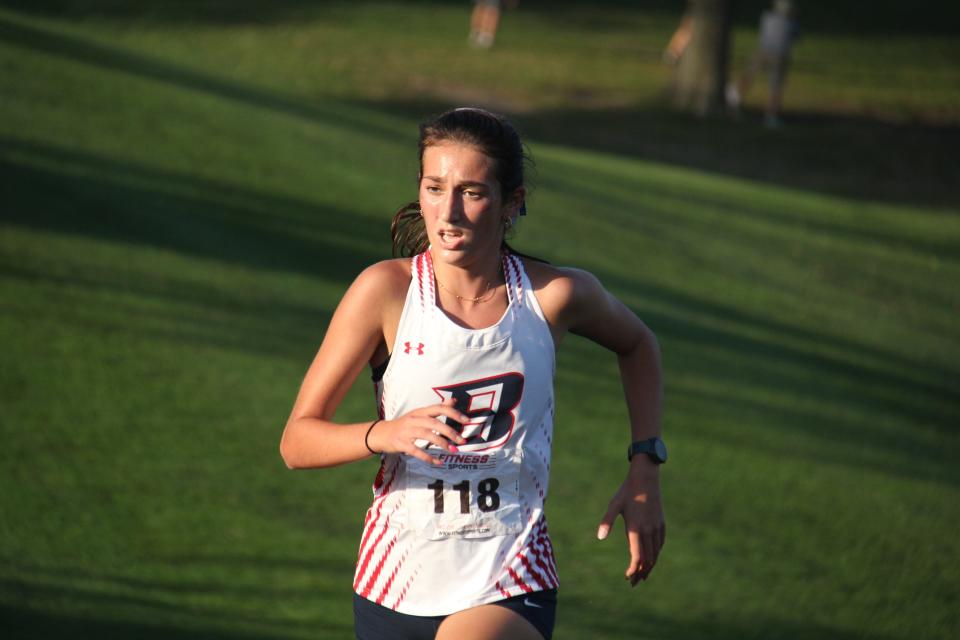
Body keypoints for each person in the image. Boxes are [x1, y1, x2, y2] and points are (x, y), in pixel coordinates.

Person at [279, 107, 666, 640]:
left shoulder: (553, 297)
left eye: (473, 193)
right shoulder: (385, 294)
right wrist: (382, 434)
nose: (449, 212)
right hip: (394, 584)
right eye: (435, 188)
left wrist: (645, 468)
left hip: (509, 577)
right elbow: (297, 441)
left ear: (513, 204)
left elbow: (639, 343)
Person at [728, 0, 800, 127]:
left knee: (750, 74)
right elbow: (796, 37)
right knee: (775, 86)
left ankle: (734, 96)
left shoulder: (766, 17)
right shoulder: (791, 23)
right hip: (779, 55)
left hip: (762, 50)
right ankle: (771, 115)